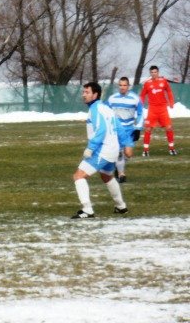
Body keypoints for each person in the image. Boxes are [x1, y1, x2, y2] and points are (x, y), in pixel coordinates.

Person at [71, 82, 128, 219]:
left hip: (103, 149)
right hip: (112, 149)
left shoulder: (95, 109)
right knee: (107, 176)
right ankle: (121, 206)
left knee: (78, 176)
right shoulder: (106, 108)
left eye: (87, 92)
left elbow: (101, 130)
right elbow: (119, 127)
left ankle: (87, 210)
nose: (83, 95)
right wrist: (126, 143)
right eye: (83, 92)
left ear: (95, 94)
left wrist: (91, 148)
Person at [106, 77, 144, 183]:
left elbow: (141, 113)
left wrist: (138, 128)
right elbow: (105, 110)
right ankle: (121, 173)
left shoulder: (135, 99)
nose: (122, 87)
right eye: (120, 85)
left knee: (128, 153)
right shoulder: (112, 98)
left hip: (129, 130)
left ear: (128, 86)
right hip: (116, 130)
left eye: (124, 85)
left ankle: (118, 167)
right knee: (119, 153)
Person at [139, 65, 177, 156]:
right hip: (152, 109)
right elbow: (142, 95)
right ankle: (145, 150)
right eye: (152, 72)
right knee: (148, 129)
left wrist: (171, 102)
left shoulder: (163, 81)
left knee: (169, 127)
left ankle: (171, 149)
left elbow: (169, 91)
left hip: (163, 109)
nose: (154, 74)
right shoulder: (147, 83)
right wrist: (140, 105)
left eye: (155, 72)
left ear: (158, 72)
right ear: (150, 73)